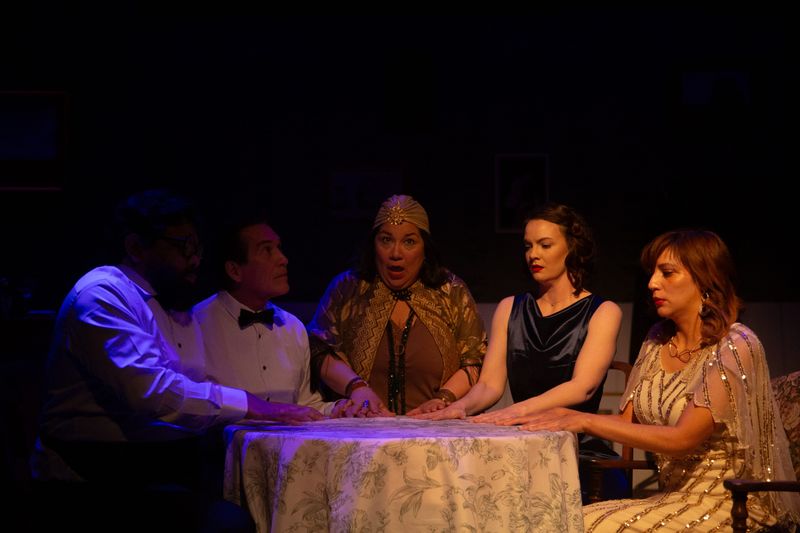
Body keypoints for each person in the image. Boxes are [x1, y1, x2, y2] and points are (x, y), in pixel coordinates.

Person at [30, 189, 321, 532]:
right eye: (184, 247)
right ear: (137, 247)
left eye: (197, 247)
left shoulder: (172, 303)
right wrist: (255, 405)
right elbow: (155, 393)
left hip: (154, 464)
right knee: (231, 522)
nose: (196, 259)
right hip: (92, 471)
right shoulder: (102, 295)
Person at [515, 229, 800, 531]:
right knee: (557, 518)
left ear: (705, 279)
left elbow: (682, 439)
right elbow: (627, 424)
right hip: (672, 498)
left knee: (588, 526)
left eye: (667, 273)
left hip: (729, 502)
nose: (652, 283)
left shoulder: (735, 344)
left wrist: (582, 420)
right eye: (653, 273)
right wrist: (555, 420)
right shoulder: (656, 341)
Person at [411, 203, 623, 494]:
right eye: (528, 246)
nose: (533, 254)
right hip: (520, 438)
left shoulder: (603, 311)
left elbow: (582, 388)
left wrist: (515, 412)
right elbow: (489, 384)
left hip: (575, 447)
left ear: (572, 247)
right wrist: (459, 407)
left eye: (545, 245)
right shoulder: (510, 308)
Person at [307, 194, 487, 416]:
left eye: (409, 242)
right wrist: (357, 388)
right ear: (374, 245)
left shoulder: (451, 291)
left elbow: (475, 360)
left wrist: (443, 399)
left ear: (424, 249)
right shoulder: (347, 288)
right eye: (386, 240)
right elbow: (318, 350)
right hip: (361, 433)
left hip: (433, 430)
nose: (395, 254)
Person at [192, 214, 349, 417]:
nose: (283, 259)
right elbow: (192, 407)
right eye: (267, 250)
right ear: (234, 270)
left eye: (278, 248)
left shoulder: (292, 327)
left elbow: (305, 405)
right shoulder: (197, 324)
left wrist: (337, 409)